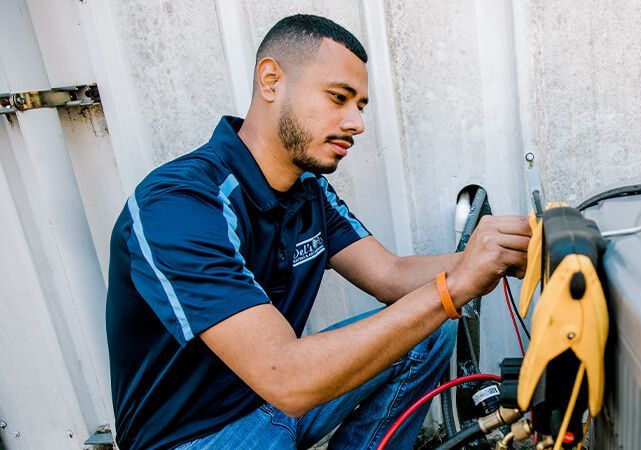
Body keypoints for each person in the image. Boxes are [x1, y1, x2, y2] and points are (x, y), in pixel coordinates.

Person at [105, 14, 530, 450]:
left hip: (276, 401)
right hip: (203, 435)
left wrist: (500, 253)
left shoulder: (308, 189)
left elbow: (390, 274)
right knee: (434, 305)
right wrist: (455, 287)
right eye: (338, 98)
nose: (356, 123)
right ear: (271, 80)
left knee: (431, 330)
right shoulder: (179, 204)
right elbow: (288, 378)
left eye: (359, 106)